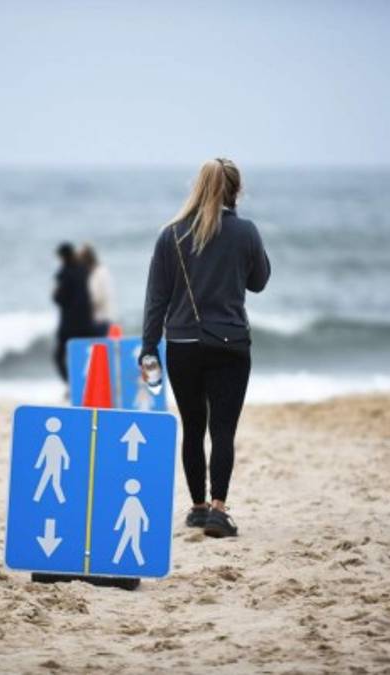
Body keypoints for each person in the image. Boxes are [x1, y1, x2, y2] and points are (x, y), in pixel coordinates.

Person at [139, 158, 270, 538]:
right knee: (223, 430)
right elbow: (259, 281)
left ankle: (197, 508)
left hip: (182, 344)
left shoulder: (171, 234)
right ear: (236, 190)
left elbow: (157, 298)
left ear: (197, 186)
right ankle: (218, 509)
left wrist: (149, 346)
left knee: (193, 427)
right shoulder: (245, 231)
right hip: (230, 343)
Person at [52, 242, 97, 382]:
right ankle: (85, 383)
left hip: (69, 324)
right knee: (85, 357)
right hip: (86, 322)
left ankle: (72, 384)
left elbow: (59, 298)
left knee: (59, 357)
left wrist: (55, 293)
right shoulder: (84, 271)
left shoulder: (64, 273)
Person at [77, 243, 118, 336]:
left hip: (100, 319)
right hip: (105, 318)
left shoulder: (97, 274)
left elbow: (97, 298)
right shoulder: (101, 271)